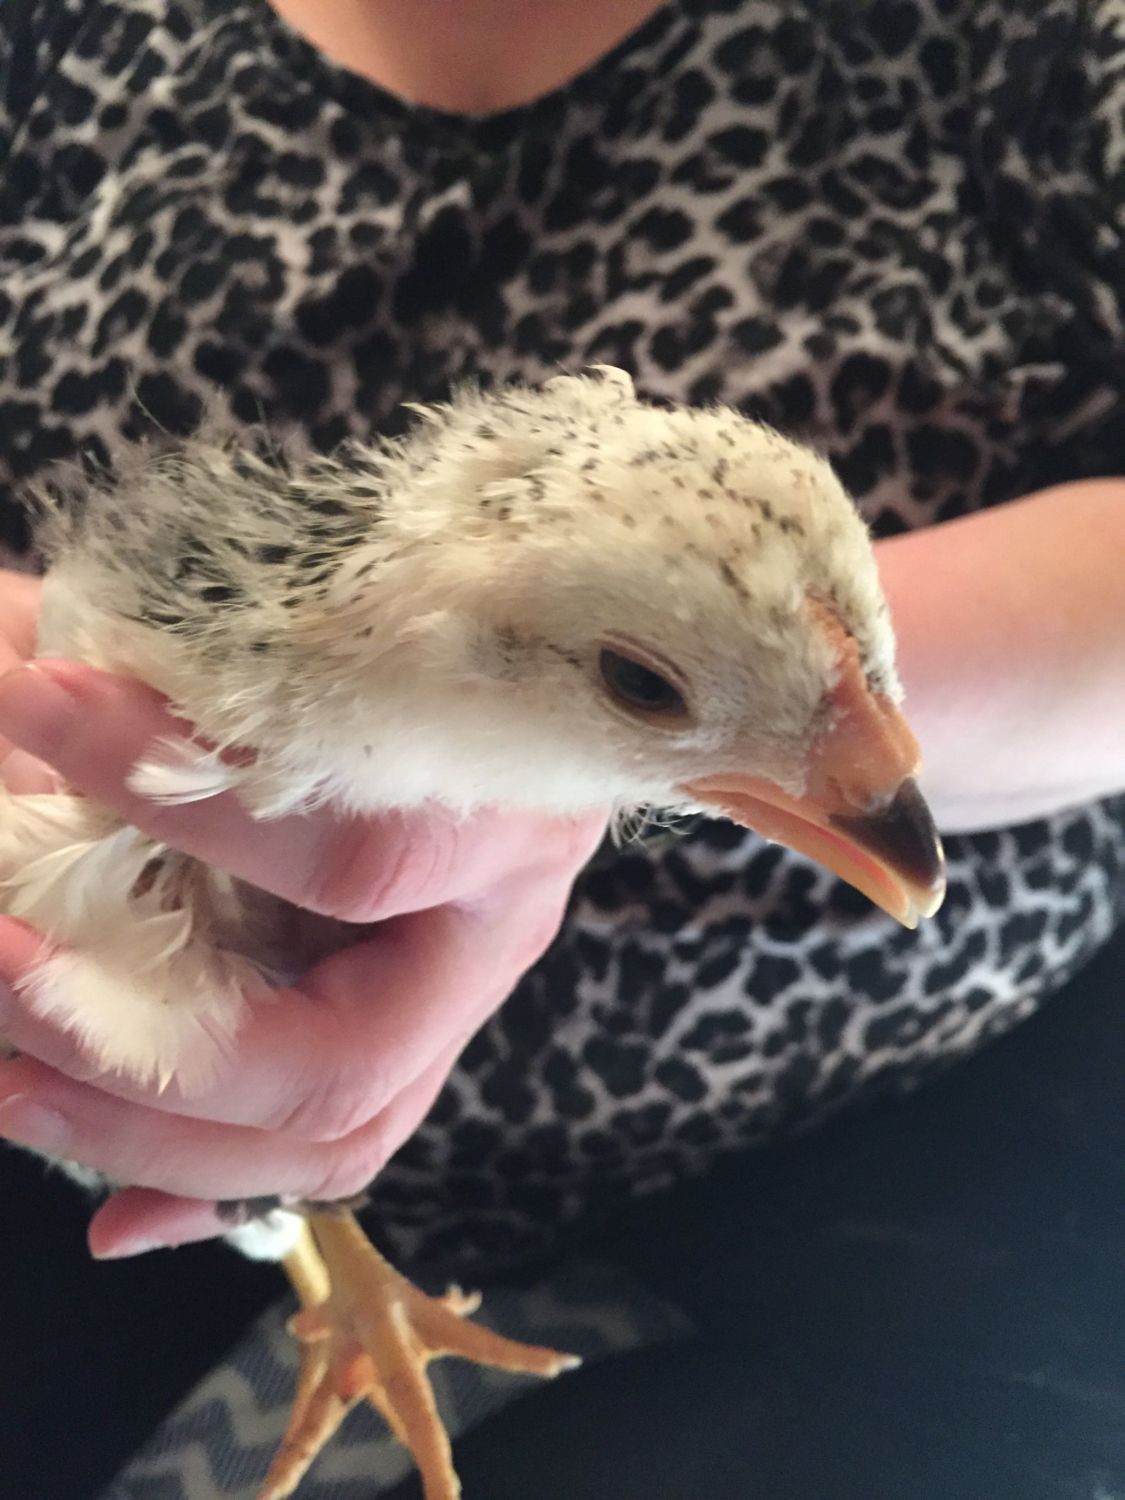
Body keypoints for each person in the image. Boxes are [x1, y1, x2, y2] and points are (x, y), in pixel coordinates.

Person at [0, 0, 1122, 1486]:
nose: (869, 780)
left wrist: (545, 777)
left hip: (877, 1145)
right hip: (107, 1192)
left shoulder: (1043, 39)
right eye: (647, 686)